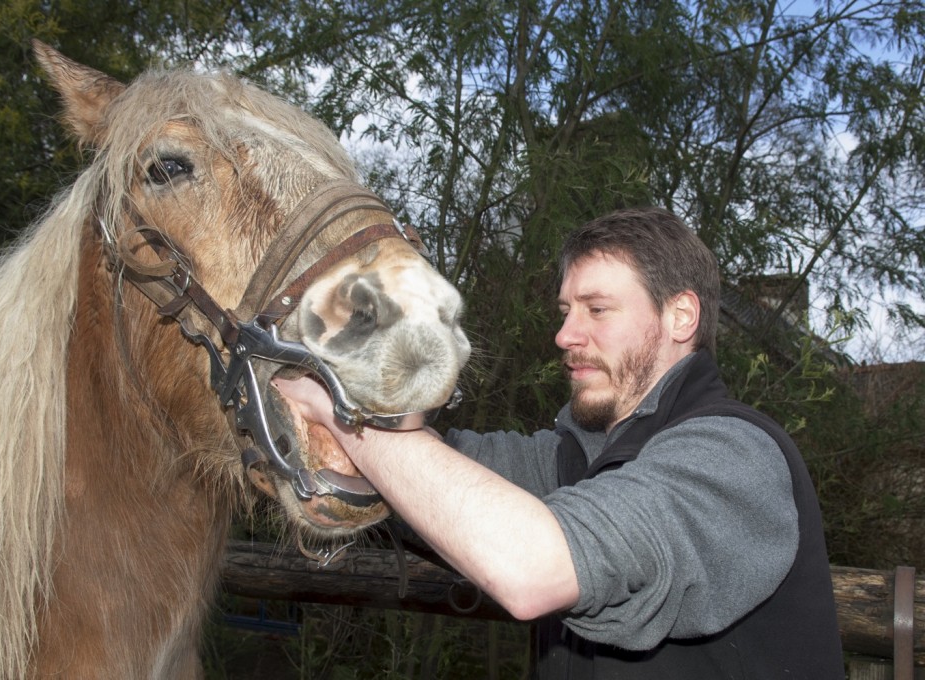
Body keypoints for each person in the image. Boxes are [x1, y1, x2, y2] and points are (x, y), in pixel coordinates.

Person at [274, 206, 844, 678]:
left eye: (597, 309)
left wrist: (340, 412)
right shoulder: (576, 457)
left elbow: (534, 567)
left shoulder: (735, 458)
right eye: (567, 311)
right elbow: (440, 469)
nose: (565, 335)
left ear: (680, 316)